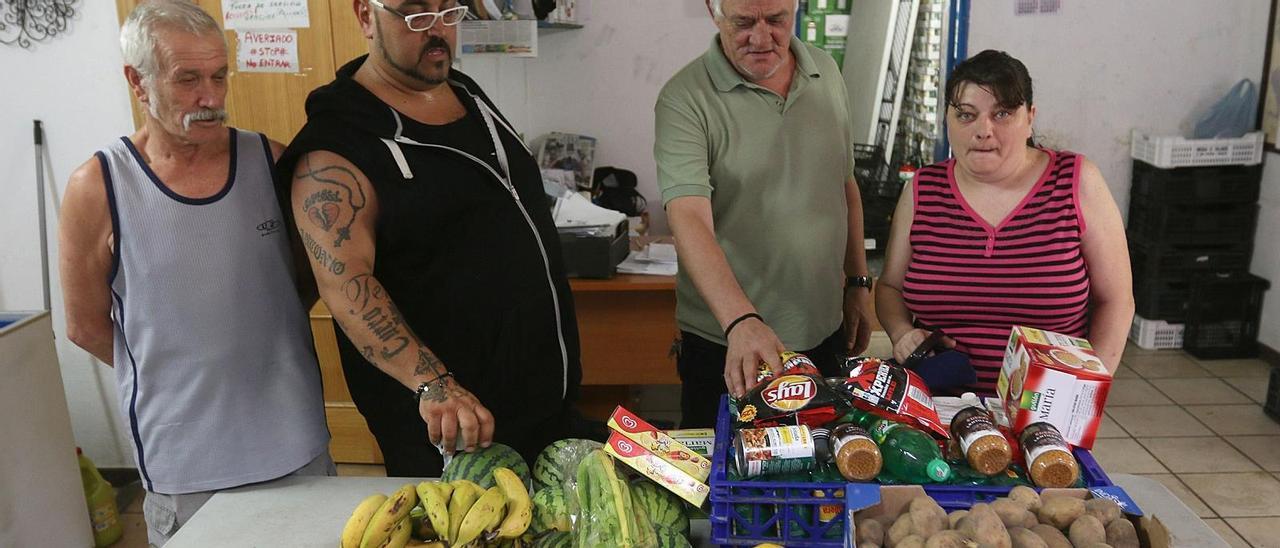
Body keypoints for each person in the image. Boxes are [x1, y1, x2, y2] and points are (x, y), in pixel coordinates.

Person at [58, 2, 332, 544]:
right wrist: (175, 364)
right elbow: (85, 325)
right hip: (185, 457)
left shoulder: (271, 162)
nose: (210, 98)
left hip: (293, 437)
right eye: (187, 80)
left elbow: (305, 282)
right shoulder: (98, 187)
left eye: (218, 76)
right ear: (137, 82)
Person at [277, 0, 581, 476]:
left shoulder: (463, 92)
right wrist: (435, 385)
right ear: (365, 17)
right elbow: (346, 284)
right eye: (416, 15)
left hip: (540, 400)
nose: (437, 30)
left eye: (448, 10)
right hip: (457, 430)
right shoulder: (335, 149)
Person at [655, 0, 873, 428]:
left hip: (823, 332)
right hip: (729, 344)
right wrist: (741, 320)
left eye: (776, 20)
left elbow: (844, 185)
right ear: (712, 12)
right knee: (730, 484)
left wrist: (858, 282)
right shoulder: (684, 99)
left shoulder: (826, 73)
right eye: (743, 23)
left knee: (824, 478)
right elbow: (689, 218)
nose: (761, 38)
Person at [875, 50, 1134, 396]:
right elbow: (890, 287)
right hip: (936, 404)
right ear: (947, 120)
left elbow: (1116, 301)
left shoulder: (1076, 182)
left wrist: (1086, 390)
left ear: (1029, 118)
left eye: (1002, 114)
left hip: (1044, 407)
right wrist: (901, 332)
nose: (983, 130)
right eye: (966, 115)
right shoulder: (923, 190)